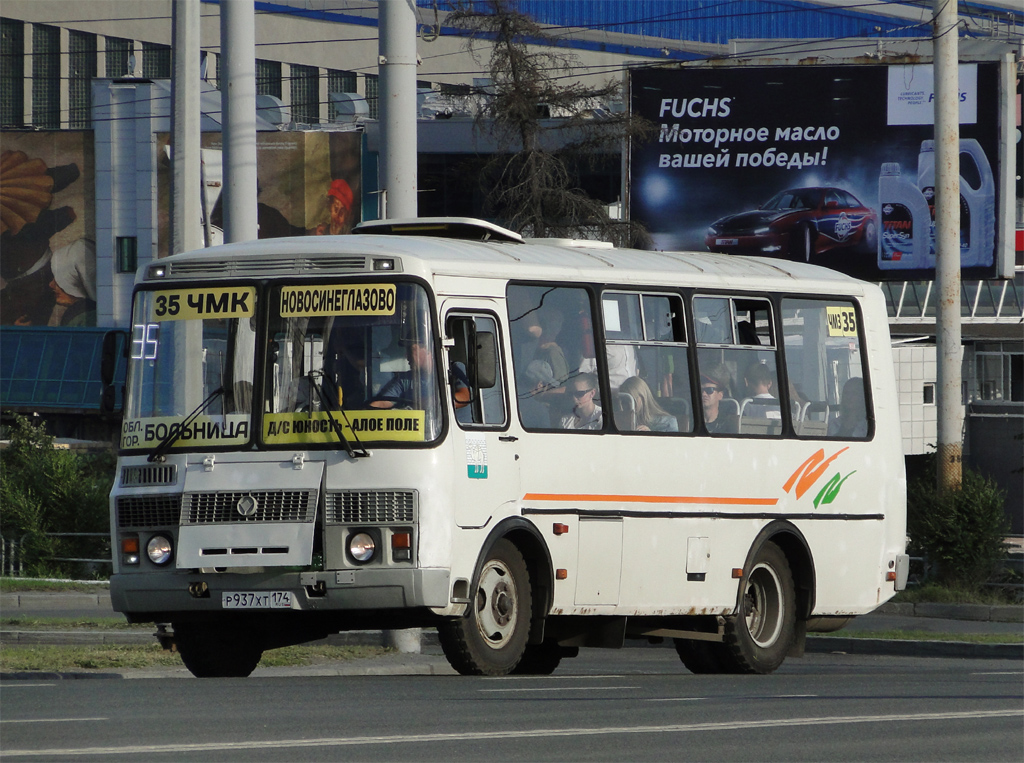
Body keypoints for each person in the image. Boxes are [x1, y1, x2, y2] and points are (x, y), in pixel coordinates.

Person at [370, 339, 437, 409]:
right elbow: (383, 402)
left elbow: (438, 400)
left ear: (427, 348)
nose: (406, 356)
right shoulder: (405, 379)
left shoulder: (445, 376)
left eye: (411, 350)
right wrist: (366, 410)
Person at [701, 365, 737, 434]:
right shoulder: (691, 422)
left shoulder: (727, 425)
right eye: (701, 390)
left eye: (709, 390)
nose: (703, 394)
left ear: (720, 395)